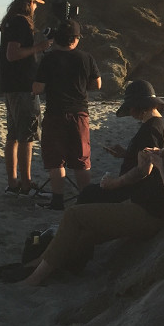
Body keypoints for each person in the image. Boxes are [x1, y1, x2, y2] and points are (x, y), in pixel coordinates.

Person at [22, 90, 164, 286]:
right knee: (85, 234)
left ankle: (34, 278)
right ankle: (44, 265)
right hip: (142, 205)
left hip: (148, 214)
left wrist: (159, 166)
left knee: (73, 215)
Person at [33, 20, 99, 210]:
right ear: (76, 39)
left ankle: (57, 201)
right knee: (81, 159)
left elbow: (38, 88)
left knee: (56, 159)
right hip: (79, 113)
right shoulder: (86, 58)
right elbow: (97, 84)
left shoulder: (49, 59)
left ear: (57, 39)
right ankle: (85, 200)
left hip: (55, 113)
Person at [0, 0, 54, 197]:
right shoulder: (21, 22)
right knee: (26, 137)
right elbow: (12, 54)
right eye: (35, 4)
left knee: (13, 136)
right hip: (22, 87)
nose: (36, 8)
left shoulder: (9, 22)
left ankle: (13, 183)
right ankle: (25, 185)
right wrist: (39, 47)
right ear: (29, 3)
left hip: (11, 86)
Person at [77, 79, 164, 204]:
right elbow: (147, 156)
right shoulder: (158, 123)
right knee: (89, 192)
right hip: (138, 190)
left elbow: (144, 170)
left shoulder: (151, 129)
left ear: (139, 106)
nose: (130, 112)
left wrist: (114, 183)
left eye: (130, 107)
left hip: (135, 193)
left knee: (87, 194)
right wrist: (127, 154)